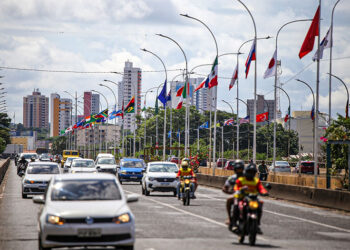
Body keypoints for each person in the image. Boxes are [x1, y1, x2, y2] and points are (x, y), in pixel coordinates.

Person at [233, 163, 268, 234]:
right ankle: (234, 224)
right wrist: (241, 189)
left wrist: (264, 192)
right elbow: (236, 187)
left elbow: (261, 188)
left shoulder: (256, 181)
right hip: (242, 197)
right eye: (250, 172)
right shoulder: (241, 180)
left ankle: (257, 224)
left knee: (260, 205)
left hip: (253, 198)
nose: (251, 173)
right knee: (236, 206)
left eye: (253, 172)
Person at [222, 159, 245, 231]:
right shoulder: (232, 178)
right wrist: (227, 191)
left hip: (248, 196)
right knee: (229, 201)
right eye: (238, 169)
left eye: (240, 168)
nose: (239, 170)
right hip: (237, 196)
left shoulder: (248, 177)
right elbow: (225, 187)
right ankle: (230, 218)